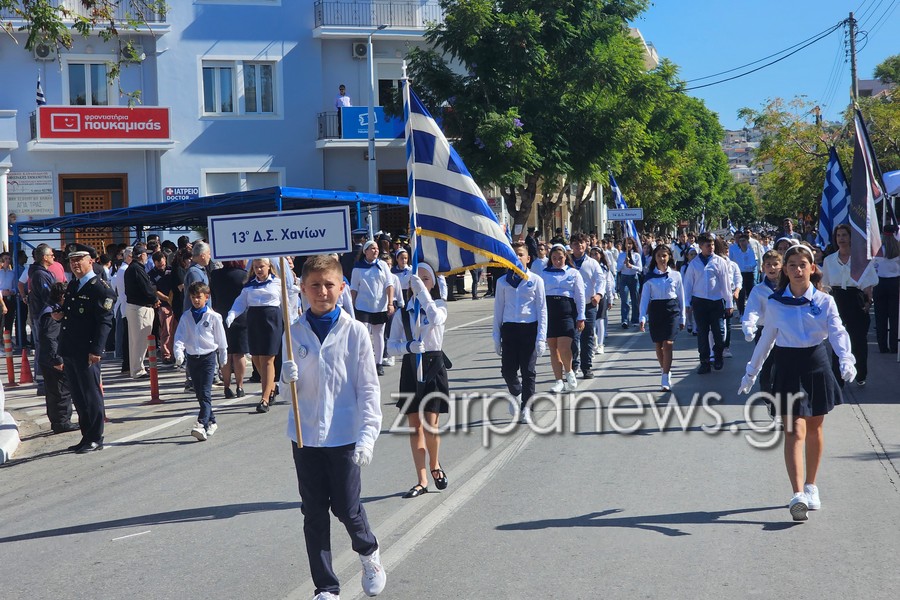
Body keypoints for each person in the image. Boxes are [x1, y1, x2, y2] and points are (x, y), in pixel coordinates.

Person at [280, 254, 386, 599]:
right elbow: (286, 394)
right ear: (302, 288)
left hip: (344, 435)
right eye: (315, 285)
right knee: (313, 513)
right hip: (306, 436)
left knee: (347, 508)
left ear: (342, 288)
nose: (322, 291)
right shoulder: (293, 332)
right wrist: (286, 380)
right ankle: (326, 586)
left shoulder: (355, 332)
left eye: (329, 285)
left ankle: (369, 552)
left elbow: (368, 388)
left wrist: (368, 437)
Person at [738, 244, 856, 521]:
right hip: (788, 366)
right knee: (793, 430)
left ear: (812, 268)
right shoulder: (776, 303)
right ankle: (797, 494)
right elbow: (767, 339)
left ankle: (811, 486)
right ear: (785, 270)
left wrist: (846, 359)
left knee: (814, 428)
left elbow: (838, 332)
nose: (798, 269)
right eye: (792, 265)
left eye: (803, 264)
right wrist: (751, 372)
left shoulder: (825, 301)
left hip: (816, 364)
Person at [387, 262, 450, 499]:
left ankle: (435, 464)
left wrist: (423, 294)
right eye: (417, 279)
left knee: (431, 423)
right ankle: (421, 479)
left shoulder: (440, 305)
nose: (421, 283)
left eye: (426, 279)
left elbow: (436, 318)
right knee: (415, 426)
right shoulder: (403, 313)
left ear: (433, 283)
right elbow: (390, 347)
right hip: (411, 365)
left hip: (434, 364)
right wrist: (408, 346)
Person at [56, 244, 115, 454]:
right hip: (71, 348)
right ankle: (86, 435)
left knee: (91, 395)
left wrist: (97, 350)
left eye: (79, 259)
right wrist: (59, 314)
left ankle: (96, 438)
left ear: (91, 261)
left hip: (87, 350)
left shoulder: (100, 288)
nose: (75, 264)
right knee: (79, 396)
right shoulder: (73, 285)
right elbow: (71, 315)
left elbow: (104, 322)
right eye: (72, 260)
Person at [493, 243, 547, 422]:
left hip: (529, 329)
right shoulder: (502, 282)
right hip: (509, 330)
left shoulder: (536, 280)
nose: (517, 258)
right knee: (507, 371)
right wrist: (496, 336)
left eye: (520, 254)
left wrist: (541, 338)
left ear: (528, 258)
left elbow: (542, 310)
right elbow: (498, 309)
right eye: (514, 255)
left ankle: (527, 407)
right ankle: (516, 393)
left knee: (528, 371)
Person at [820, 224, 878, 386]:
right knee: (837, 339)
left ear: (851, 238)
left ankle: (860, 373)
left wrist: (868, 302)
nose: (841, 238)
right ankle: (838, 378)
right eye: (838, 235)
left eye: (844, 235)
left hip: (856, 299)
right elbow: (825, 286)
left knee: (858, 340)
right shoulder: (829, 260)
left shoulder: (861, 260)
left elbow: (869, 285)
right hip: (837, 299)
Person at [226, 258, 283, 413]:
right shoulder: (249, 285)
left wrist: (291, 320)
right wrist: (232, 314)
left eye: (262, 266)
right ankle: (271, 387)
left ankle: (265, 399)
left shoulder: (277, 283)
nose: (259, 270)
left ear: (269, 266)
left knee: (267, 359)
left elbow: (287, 301)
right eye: (256, 267)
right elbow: (240, 302)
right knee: (257, 358)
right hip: (254, 320)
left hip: (271, 320)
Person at [174, 282, 228, 442]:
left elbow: (221, 338)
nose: (196, 300)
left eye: (199, 297)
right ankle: (212, 421)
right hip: (193, 358)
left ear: (206, 297)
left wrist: (223, 355)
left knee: (205, 393)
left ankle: (201, 424)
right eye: (193, 297)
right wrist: (179, 352)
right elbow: (180, 336)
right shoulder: (186, 316)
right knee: (199, 393)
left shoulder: (213, 316)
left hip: (208, 358)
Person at [741, 249, 783, 424]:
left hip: (785, 334)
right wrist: (749, 326)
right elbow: (752, 310)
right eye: (768, 265)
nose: (772, 268)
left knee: (782, 372)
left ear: (782, 266)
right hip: (765, 333)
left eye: (775, 264)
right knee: (766, 372)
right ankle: (767, 397)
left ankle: (780, 409)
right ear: (763, 267)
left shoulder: (789, 287)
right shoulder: (758, 290)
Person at [683, 233, 734, 373]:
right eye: (707, 245)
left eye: (712, 245)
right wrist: (687, 303)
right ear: (700, 246)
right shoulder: (694, 264)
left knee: (719, 331)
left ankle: (718, 355)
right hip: (699, 302)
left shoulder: (720, 262)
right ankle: (704, 361)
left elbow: (725, 284)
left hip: (716, 301)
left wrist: (729, 303)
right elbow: (688, 284)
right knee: (703, 333)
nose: (711, 247)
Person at [539, 243, 585, 393]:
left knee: (564, 347)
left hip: (567, 313)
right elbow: (539, 296)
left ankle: (569, 371)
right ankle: (558, 380)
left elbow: (580, 296)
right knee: (553, 348)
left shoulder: (573, 273)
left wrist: (581, 316)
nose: (557, 261)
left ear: (565, 257)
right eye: (554, 258)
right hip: (549, 313)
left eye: (560, 258)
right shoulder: (544, 274)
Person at [639, 245, 685, 391]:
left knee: (668, 343)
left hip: (672, 310)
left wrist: (683, 317)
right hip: (656, 310)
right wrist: (642, 317)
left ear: (669, 256)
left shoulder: (676, 275)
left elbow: (681, 297)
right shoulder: (650, 277)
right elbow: (644, 299)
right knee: (659, 344)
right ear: (655, 258)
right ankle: (665, 369)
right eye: (659, 256)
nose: (662, 259)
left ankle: (665, 377)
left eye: (664, 255)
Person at [350, 240, 395, 376]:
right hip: (362, 306)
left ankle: (378, 363)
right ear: (366, 251)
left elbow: (389, 284)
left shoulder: (382, 265)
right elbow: (354, 288)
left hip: (379, 306)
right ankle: (365, 362)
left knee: (379, 335)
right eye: (372, 248)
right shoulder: (358, 268)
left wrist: (390, 303)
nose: (376, 251)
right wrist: (351, 305)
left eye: (376, 248)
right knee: (364, 335)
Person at [39, 282, 78, 434]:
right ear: (62, 296)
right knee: (60, 391)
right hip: (52, 359)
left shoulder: (49, 309)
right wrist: (56, 359)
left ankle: (59, 422)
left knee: (55, 391)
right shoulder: (52, 313)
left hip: (47, 357)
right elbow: (50, 338)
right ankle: (62, 422)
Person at [210, 260, 250, 398]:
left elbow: (213, 298)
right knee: (239, 354)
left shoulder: (215, 275)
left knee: (225, 352)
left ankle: (227, 386)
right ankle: (240, 386)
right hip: (240, 316)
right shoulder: (243, 275)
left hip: (221, 315)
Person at [569, 233, 602, 378]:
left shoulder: (592, 263)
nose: (579, 246)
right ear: (571, 246)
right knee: (572, 336)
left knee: (587, 336)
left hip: (589, 305)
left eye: (581, 243)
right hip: (571, 305)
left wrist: (598, 295)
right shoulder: (566, 262)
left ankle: (586, 367)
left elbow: (601, 280)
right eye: (576, 243)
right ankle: (573, 365)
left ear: (586, 244)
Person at [123, 243, 158, 379]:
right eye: (146, 254)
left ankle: (137, 367)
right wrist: (154, 299)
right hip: (140, 307)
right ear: (142, 255)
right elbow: (146, 288)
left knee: (135, 340)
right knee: (140, 340)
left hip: (134, 307)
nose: (147, 256)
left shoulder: (132, 268)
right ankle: (138, 369)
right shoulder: (137, 269)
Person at [872, 225, 900, 354]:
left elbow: (873, 266)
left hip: (880, 283)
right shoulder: (898, 248)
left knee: (880, 317)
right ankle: (894, 346)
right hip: (895, 283)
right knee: (894, 317)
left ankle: (882, 346)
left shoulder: (877, 250)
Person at [149, 251, 175, 364]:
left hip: (175, 305)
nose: (161, 265)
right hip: (163, 305)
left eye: (162, 262)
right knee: (166, 331)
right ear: (154, 262)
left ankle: (175, 353)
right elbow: (154, 290)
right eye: (158, 263)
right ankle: (166, 355)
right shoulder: (152, 274)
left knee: (175, 330)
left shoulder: (171, 270)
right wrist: (167, 299)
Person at [589, 246, 615, 354]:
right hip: (590, 296)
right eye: (592, 254)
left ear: (601, 255)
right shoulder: (588, 266)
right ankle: (594, 341)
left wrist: (610, 298)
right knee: (591, 321)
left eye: (596, 254)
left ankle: (600, 344)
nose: (594, 256)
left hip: (601, 296)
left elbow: (608, 283)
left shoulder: (604, 268)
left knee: (600, 320)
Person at [730, 233, 758, 315]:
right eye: (740, 241)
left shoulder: (751, 251)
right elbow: (732, 262)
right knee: (741, 294)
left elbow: (754, 263)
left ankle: (751, 311)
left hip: (749, 274)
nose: (742, 243)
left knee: (750, 293)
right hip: (740, 274)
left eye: (744, 241)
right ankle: (741, 312)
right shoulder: (736, 252)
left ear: (747, 242)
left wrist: (748, 267)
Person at [616, 237, 642, 327]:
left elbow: (640, 269)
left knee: (635, 300)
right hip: (624, 278)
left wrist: (632, 266)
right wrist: (624, 263)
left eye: (630, 243)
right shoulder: (621, 255)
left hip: (634, 278)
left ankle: (635, 319)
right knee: (625, 300)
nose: (629, 245)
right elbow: (618, 269)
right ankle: (624, 320)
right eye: (627, 243)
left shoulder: (636, 255)